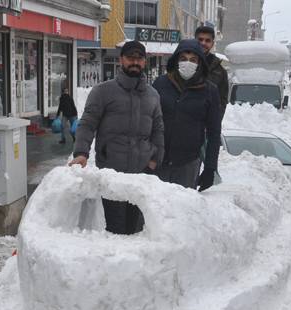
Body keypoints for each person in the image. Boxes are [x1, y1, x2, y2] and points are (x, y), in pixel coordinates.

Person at [70, 40, 165, 234]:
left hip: (142, 173)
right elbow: (87, 124)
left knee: (138, 229)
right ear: (121, 60)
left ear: (144, 62)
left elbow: (158, 130)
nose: (135, 63)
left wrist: (155, 159)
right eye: (130, 58)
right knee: (115, 228)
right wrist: (81, 153)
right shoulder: (103, 92)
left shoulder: (153, 95)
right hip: (112, 173)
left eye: (139, 59)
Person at [152, 39, 221, 191]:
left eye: (193, 60)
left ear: (200, 63)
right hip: (157, 162)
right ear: (176, 60)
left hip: (187, 164)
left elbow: (214, 134)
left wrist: (210, 168)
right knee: (153, 210)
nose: (187, 63)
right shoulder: (160, 84)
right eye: (183, 59)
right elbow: (147, 120)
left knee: (181, 212)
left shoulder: (210, 91)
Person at [195, 26, 229, 117]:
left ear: (212, 43)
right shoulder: (184, 63)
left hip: (206, 125)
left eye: (207, 40)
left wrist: (214, 123)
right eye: (200, 39)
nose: (203, 43)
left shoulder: (220, 72)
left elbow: (222, 102)